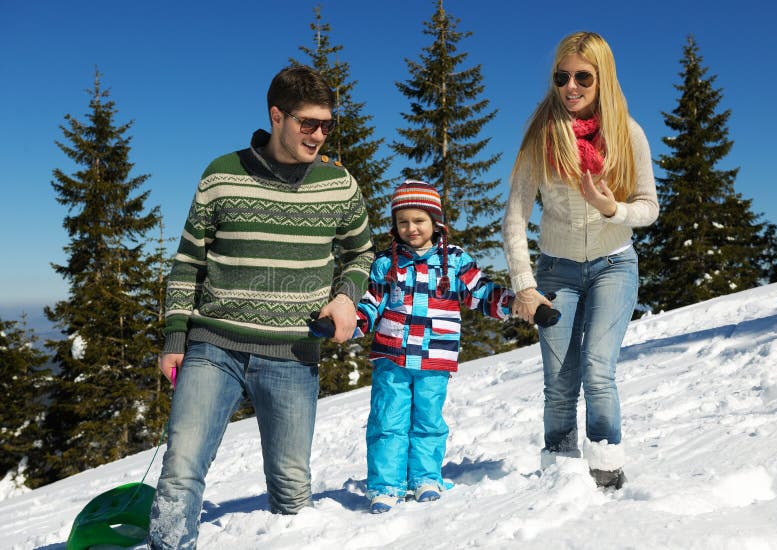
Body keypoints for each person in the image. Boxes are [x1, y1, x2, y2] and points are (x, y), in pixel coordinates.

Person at [148, 65, 374, 548]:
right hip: (215, 346)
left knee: (292, 492)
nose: (318, 135)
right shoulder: (221, 175)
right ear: (277, 116)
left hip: (293, 355)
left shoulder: (339, 185)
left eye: (327, 124)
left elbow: (361, 253)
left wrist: (345, 297)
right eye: (307, 124)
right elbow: (188, 262)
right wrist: (174, 338)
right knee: (180, 470)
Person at [502, 31, 659, 489]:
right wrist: (524, 285)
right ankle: (560, 473)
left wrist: (614, 209)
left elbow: (649, 207)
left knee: (596, 366)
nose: (571, 86)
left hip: (614, 264)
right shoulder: (541, 136)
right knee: (559, 380)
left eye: (583, 77)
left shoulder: (628, 134)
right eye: (561, 76)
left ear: (602, 78)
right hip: (557, 271)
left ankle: (607, 472)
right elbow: (514, 217)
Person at [355, 180, 515, 513]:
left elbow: (481, 293)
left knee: (428, 420)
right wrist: (353, 321)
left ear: (435, 222)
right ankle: (385, 485)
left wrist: (513, 303)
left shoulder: (454, 261)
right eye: (403, 222)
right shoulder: (387, 262)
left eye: (419, 221)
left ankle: (425, 478)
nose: (410, 228)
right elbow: (371, 302)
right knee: (388, 419)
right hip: (392, 356)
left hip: (435, 357)